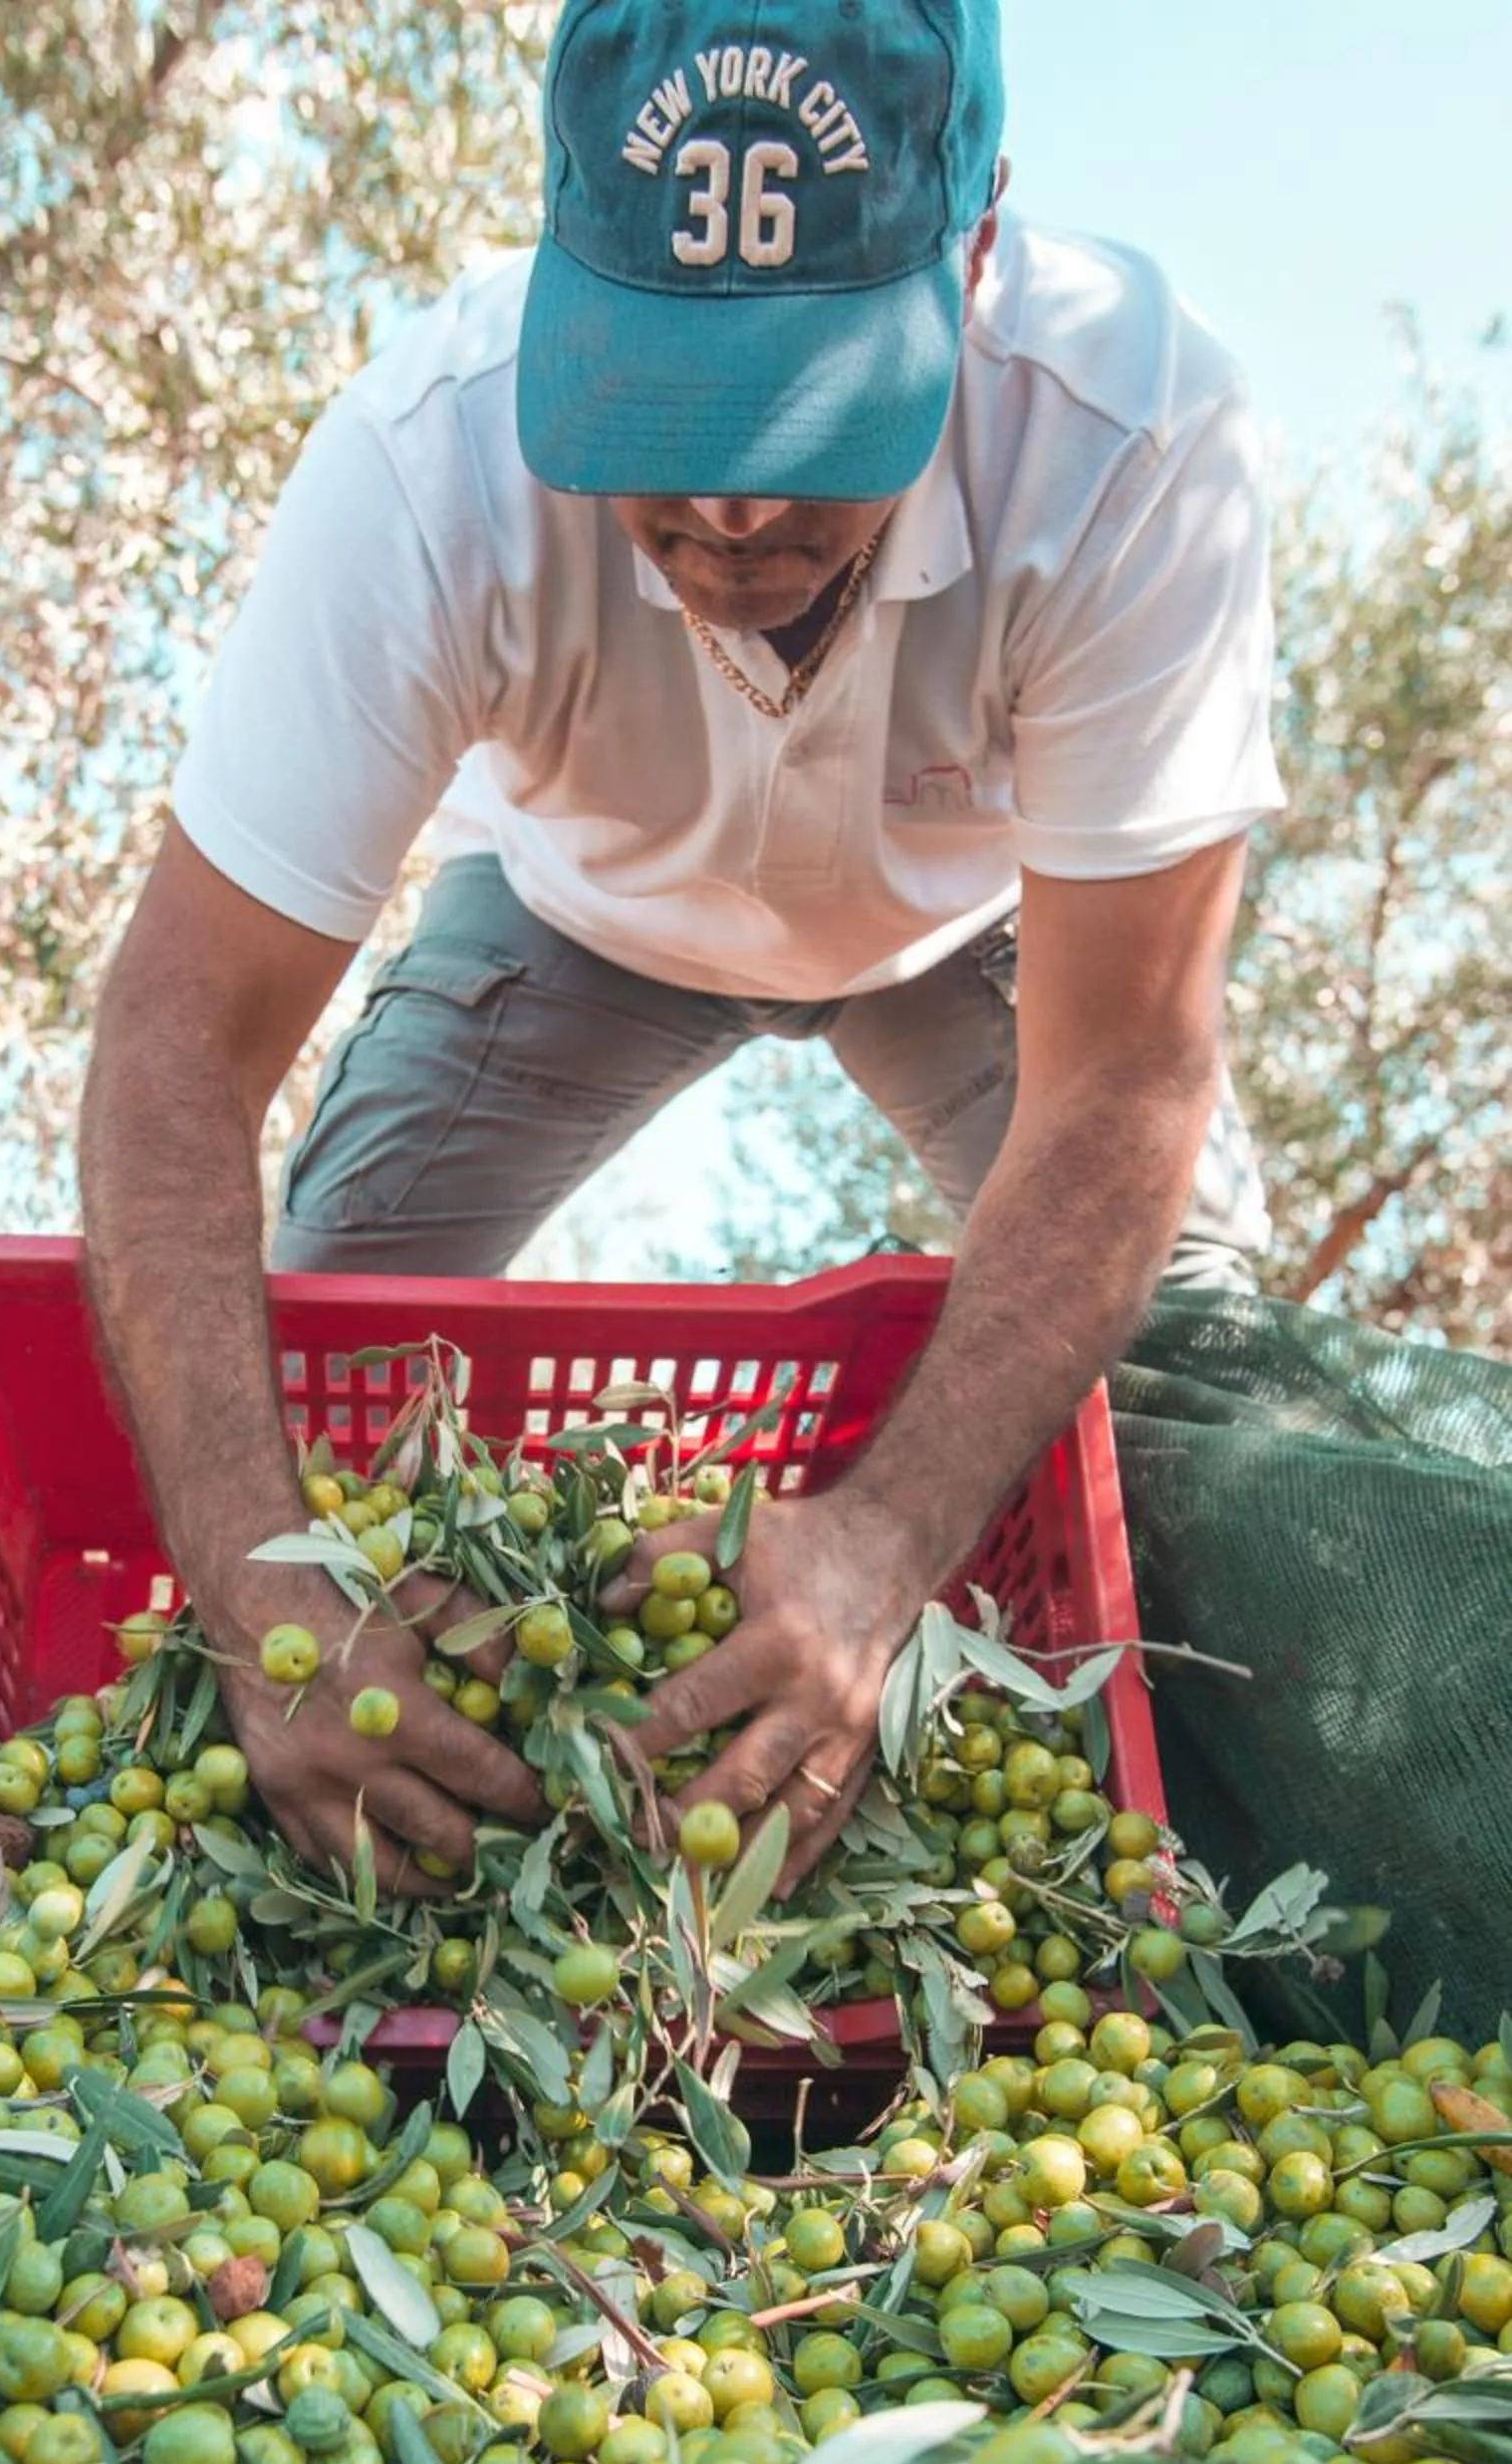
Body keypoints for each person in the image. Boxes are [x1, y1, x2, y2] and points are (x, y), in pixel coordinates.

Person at [81, 0, 1282, 1899]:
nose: (731, 510)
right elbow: (174, 1042)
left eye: (813, 421)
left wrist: (886, 1543)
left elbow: (1129, 1067)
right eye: (665, 408)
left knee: (1215, 1372)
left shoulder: (1135, 442)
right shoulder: (430, 463)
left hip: (969, 936)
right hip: (573, 913)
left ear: (973, 263)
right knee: (319, 1402)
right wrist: (261, 1603)